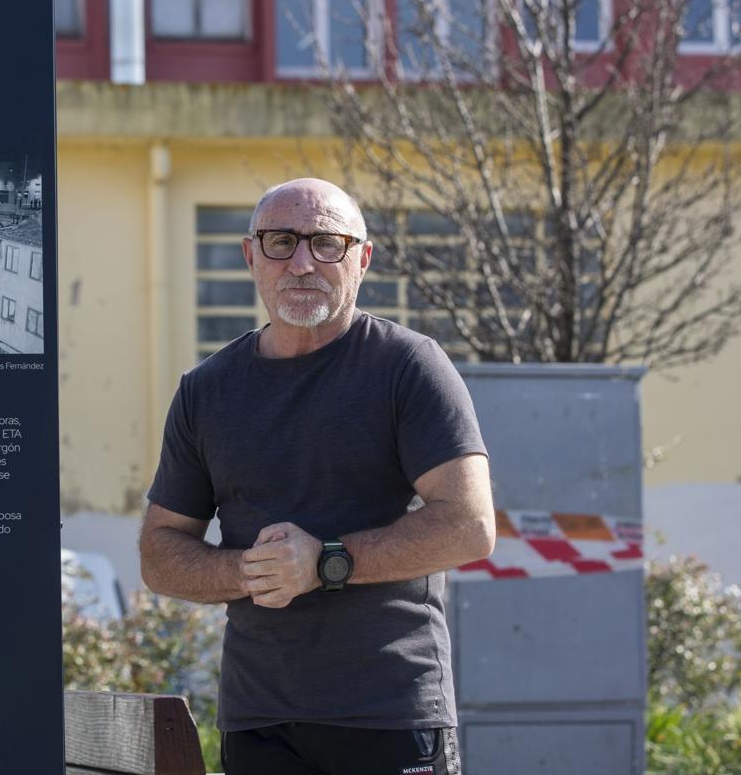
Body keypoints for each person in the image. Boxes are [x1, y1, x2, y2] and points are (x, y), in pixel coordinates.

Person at [140, 178, 494, 775]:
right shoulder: (206, 391)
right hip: (258, 721)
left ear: (362, 258)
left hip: (390, 712)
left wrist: (325, 562)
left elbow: (469, 525)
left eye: (327, 243)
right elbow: (159, 552)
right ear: (251, 255)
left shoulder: (409, 366)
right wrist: (247, 570)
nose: (303, 263)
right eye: (281, 242)